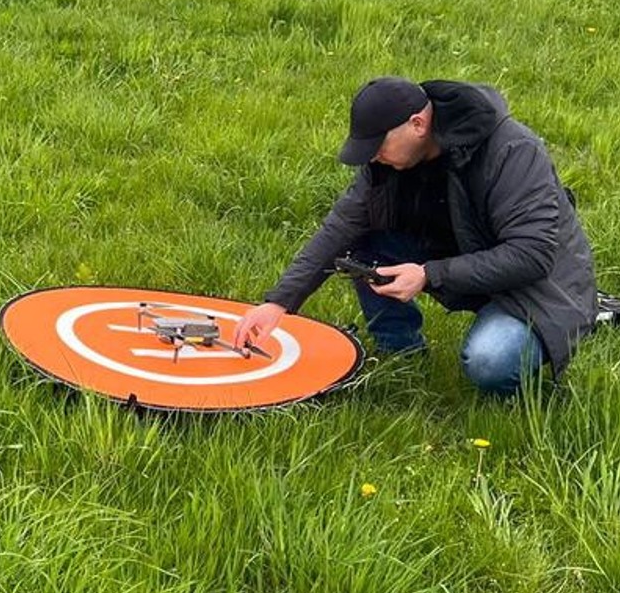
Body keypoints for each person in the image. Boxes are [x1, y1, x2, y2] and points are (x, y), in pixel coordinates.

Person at [231, 77, 599, 396]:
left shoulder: (512, 151)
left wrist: (429, 274)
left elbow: (532, 255)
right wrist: (278, 303)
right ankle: (402, 355)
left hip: (540, 287)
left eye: (379, 146)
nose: (373, 158)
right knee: (362, 248)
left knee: (490, 360)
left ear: (418, 123)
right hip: (465, 255)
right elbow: (340, 227)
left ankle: (568, 331)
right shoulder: (392, 162)